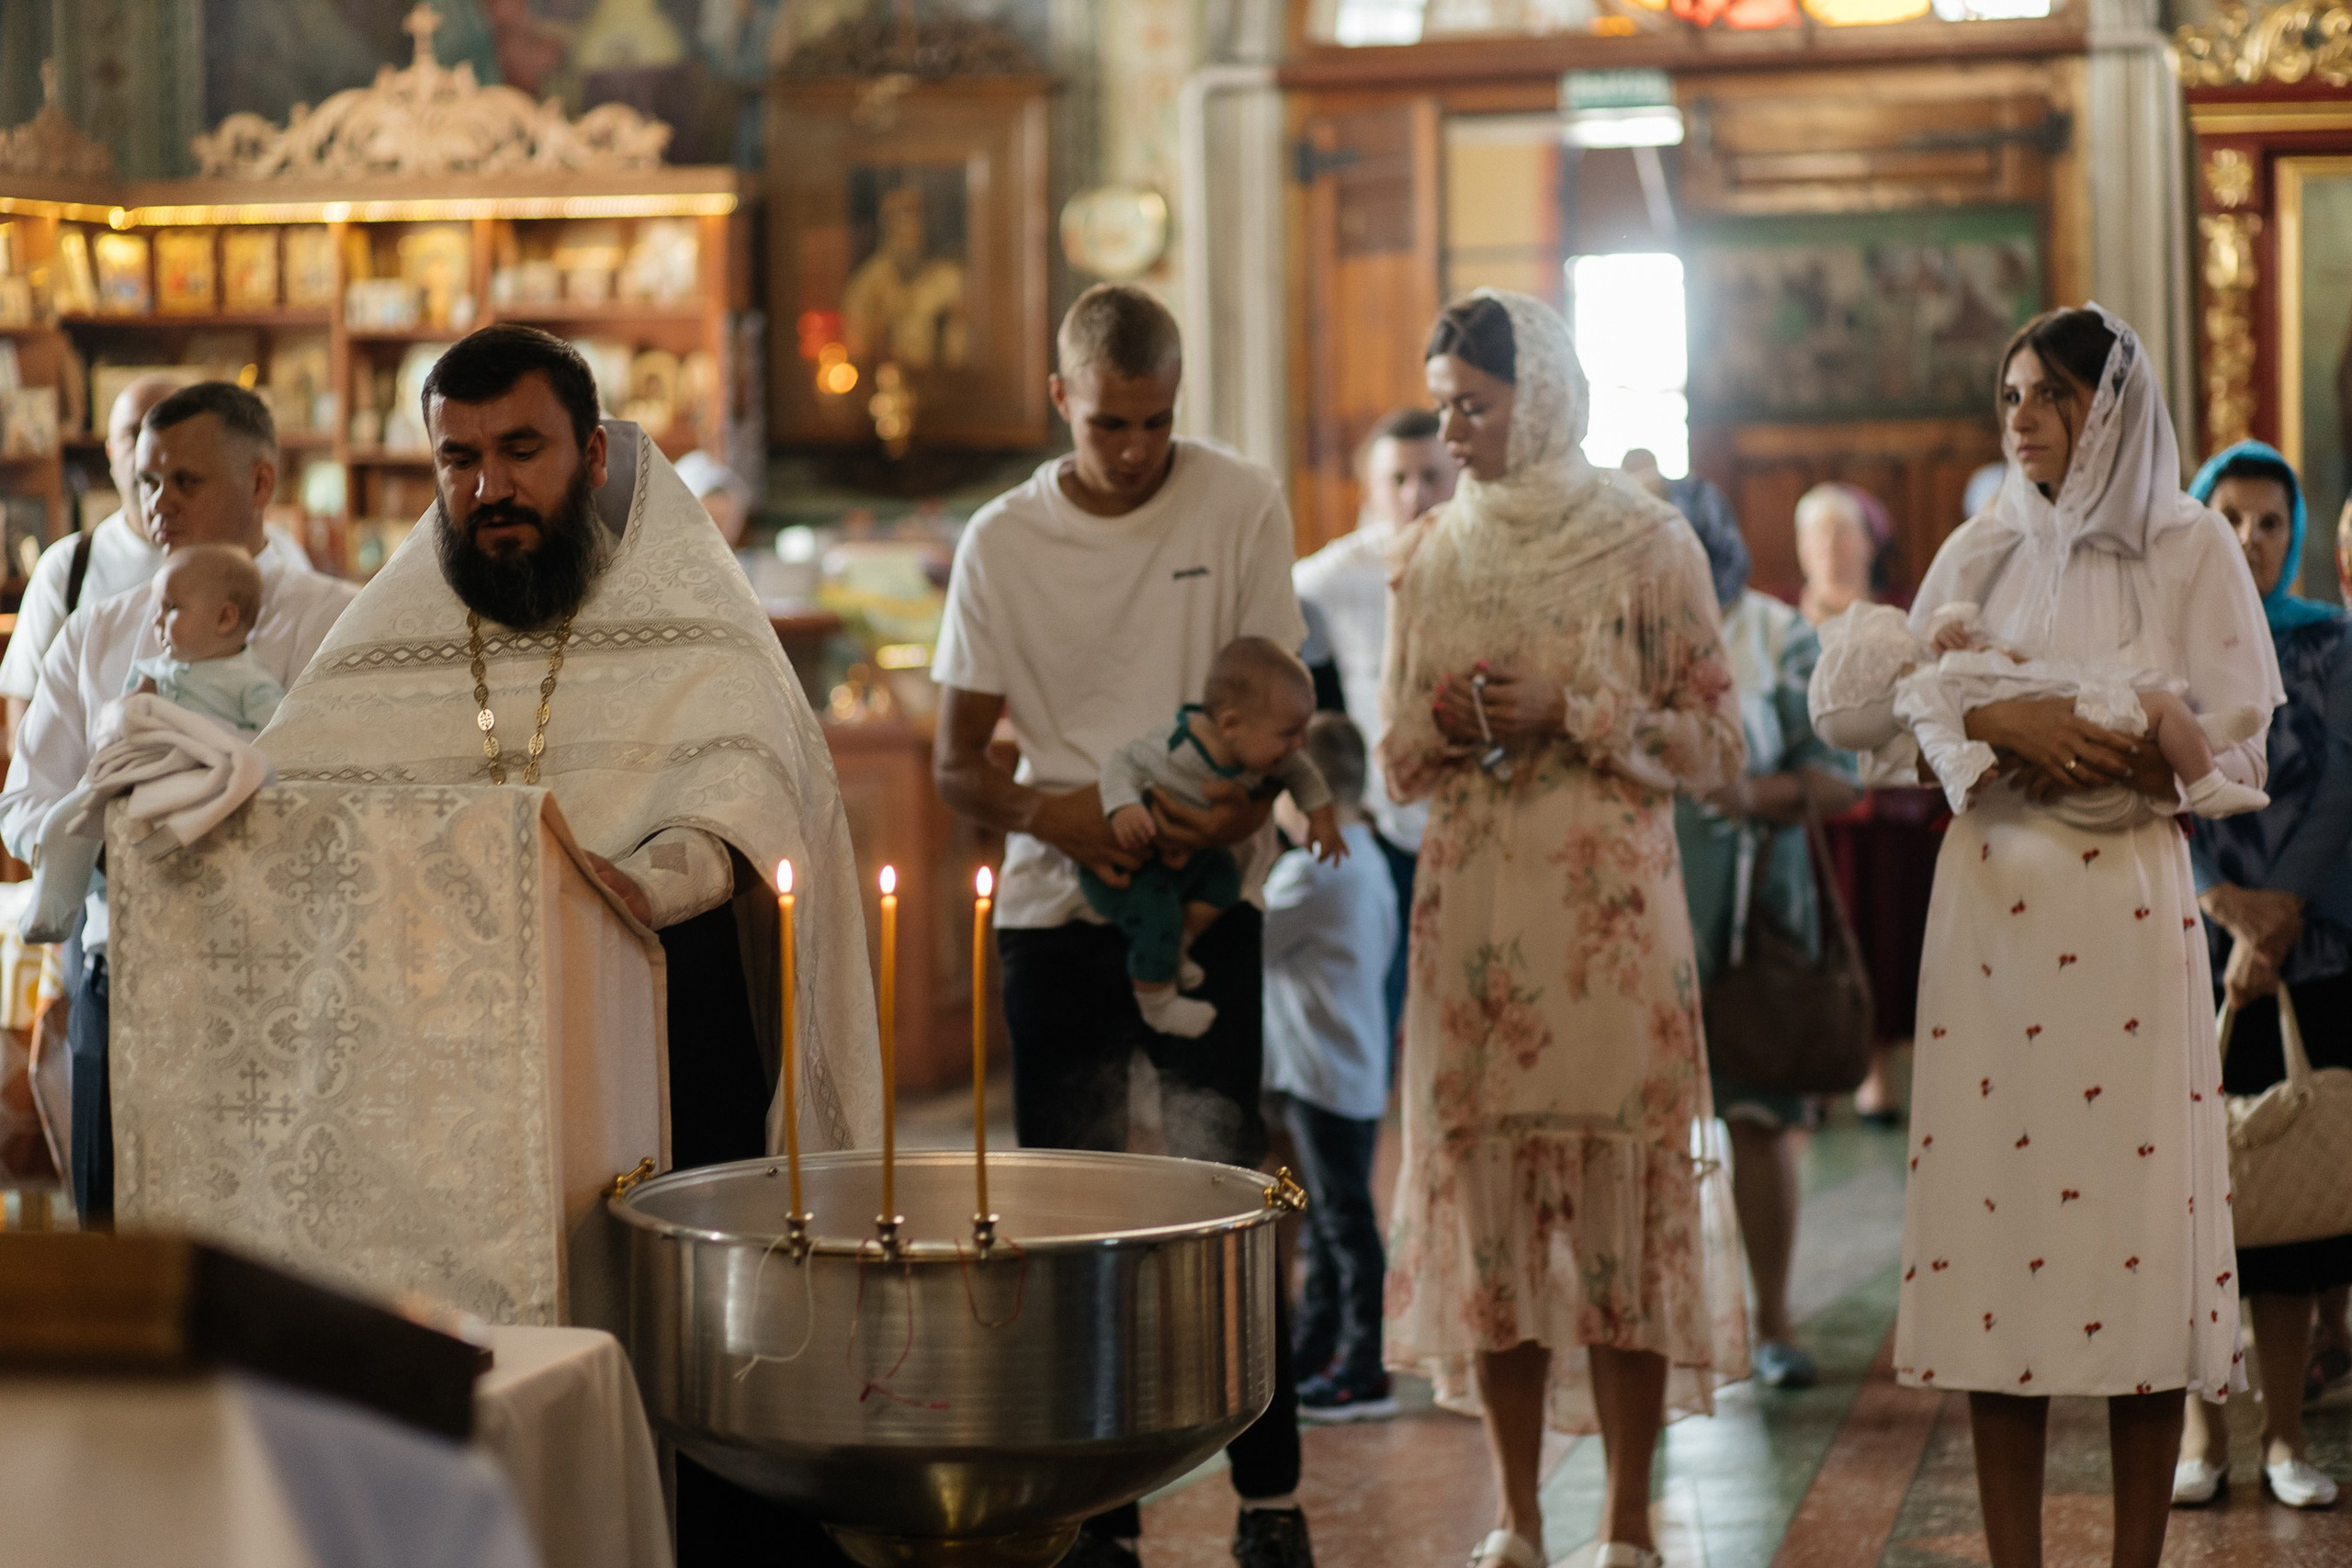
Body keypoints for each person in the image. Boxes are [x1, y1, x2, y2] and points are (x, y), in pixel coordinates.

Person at [251, 324, 880, 1566]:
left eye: (521, 450)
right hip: (456, 1067)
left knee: (687, 1360)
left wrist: (632, 881)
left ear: (592, 455)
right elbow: (295, 792)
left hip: (661, 1026)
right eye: (459, 459)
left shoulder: (689, 611)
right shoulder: (394, 626)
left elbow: (744, 808)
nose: (489, 486)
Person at [1830, 306, 2278, 1568]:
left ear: (2112, 407)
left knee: (2136, 1240)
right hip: (1993, 919)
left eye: (2049, 394)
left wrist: (2133, 748)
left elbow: (2244, 752)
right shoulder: (1981, 546)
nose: (2021, 417)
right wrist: (2003, 722)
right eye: (2009, 395)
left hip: (2126, 910)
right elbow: (1890, 720)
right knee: (1999, 1245)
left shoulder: (2188, 543)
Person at [930, 284, 1313, 1568]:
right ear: (1061, 400)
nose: (1137, 448)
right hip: (1055, 904)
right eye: (1108, 424)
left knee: (1228, 1193)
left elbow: (1282, 718)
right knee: (1071, 1213)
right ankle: (1099, 1517)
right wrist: (1075, 819)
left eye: (1156, 420)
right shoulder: (1001, 539)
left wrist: (1224, 816)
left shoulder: (1240, 499)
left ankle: (1271, 1495)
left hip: (1207, 898)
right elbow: (953, 765)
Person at [1382, 290, 1747, 1568]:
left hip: (1607, 928)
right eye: (1443, 406)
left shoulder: (1647, 543)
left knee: (1619, 1219)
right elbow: (1396, 761)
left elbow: (1720, 744)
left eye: (1473, 407)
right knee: (1492, 1221)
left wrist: (1578, 710)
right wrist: (1448, 717)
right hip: (1475, 914)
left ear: (1539, 401)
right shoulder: (1432, 553)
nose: (1451, 431)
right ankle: (1518, 1515)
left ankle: (1629, 1517)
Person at [0, 382, 359, 1226]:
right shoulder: (96, 630)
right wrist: (102, 835)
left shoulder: (336, 623)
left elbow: (351, 802)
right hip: (118, 973)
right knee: (117, 1233)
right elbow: (23, 801)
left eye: (186, 480)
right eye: (148, 480)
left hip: (280, 982)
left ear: (261, 481)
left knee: (276, 1240)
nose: (159, 502)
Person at [2173, 440, 2352, 1510]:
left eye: (2270, 522)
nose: (2248, 539)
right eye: (2229, 518)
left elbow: (2340, 787)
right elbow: (2153, 778)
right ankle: (2200, 1442)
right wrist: (2217, 897)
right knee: (2184, 1198)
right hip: (2181, 946)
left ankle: (2284, 1435)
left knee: (2283, 1199)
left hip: (2309, 944)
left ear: (2294, 534)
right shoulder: (2164, 633)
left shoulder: (2328, 640)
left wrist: (2276, 910)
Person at [1672, 501, 1859, 1393]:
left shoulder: (1780, 637)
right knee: (1651, 1127)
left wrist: (1750, 795)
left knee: (1756, 1117)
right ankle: (1667, 1325)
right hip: (1645, 912)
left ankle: (1773, 1321)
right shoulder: (1625, 638)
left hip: (1756, 916)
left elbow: (1838, 778)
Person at [18, 546, 287, 947]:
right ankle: (53, 907)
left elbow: (270, 742)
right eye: (157, 609)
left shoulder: (249, 681)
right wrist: (129, 712)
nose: (156, 621)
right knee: (65, 821)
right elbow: (118, 729)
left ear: (226, 618)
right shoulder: (150, 671)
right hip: (139, 773)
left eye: (171, 608)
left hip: (197, 780)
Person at [1292, 409, 1458, 1035]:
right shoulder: (1337, 577)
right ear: (1371, 488)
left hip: (1467, 818)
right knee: (1379, 1005)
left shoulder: (1491, 562)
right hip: (1383, 821)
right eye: (1399, 479)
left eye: (1432, 476)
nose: (1416, 495)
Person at [1815, 598, 2269, 823]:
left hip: (2064, 694)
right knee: (2156, 707)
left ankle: (2201, 737)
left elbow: (1960, 616)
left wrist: (1946, 632)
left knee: (2153, 711)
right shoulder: (1921, 692)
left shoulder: (1937, 663)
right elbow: (1902, 752)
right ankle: (2205, 777)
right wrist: (1993, 733)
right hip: (2012, 827)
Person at [1092, 637, 1342, 1040]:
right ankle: (1157, 1002)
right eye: (1289, 733)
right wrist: (1125, 807)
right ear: (1230, 725)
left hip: (1192, 863)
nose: (1299, 745)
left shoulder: (1263, 746)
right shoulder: (1176, 749)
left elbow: (1303, 773)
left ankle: (1178, 948)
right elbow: (1121, 763)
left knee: (1225, 881)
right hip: (1135, 863)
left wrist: (1323, 820)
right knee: (1158, 915)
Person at [1261, 712, 1398, 1421]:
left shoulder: (1314, 866)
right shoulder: (1366, 852)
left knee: (1343, 1225)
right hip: (1349, 1064)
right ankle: (1315, 1351)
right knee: (1324, 1219)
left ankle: (1365, 1366)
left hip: (1323, 1072)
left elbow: (1249, 937)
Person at [0, 376, 179, 747]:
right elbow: (24, 704)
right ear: (111, 453)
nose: (149, 448)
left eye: (165, 428)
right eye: (133, 434)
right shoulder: (66, 568)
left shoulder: (254, 560)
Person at [1795, 479, 1894, 626]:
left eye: (1842, 530)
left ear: (1870, 544)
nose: (1830, 544)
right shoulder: (1777, 622)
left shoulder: (1900, 615)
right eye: (1818, 532)